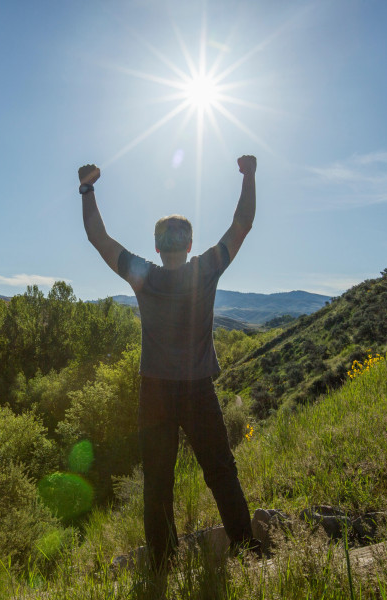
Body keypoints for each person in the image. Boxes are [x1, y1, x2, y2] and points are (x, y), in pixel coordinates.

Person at [78, 155, 260, 570]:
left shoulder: (144, 275)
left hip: (154, 392)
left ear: (157, 246)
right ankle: (247, 551)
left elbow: (98, 238)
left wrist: (87, 189)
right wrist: (249, 175)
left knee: (158, 484)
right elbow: (242, 222)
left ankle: (162, 566)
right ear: (190, 245)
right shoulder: (207, 269)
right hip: (198, 388)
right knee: (221, 472)